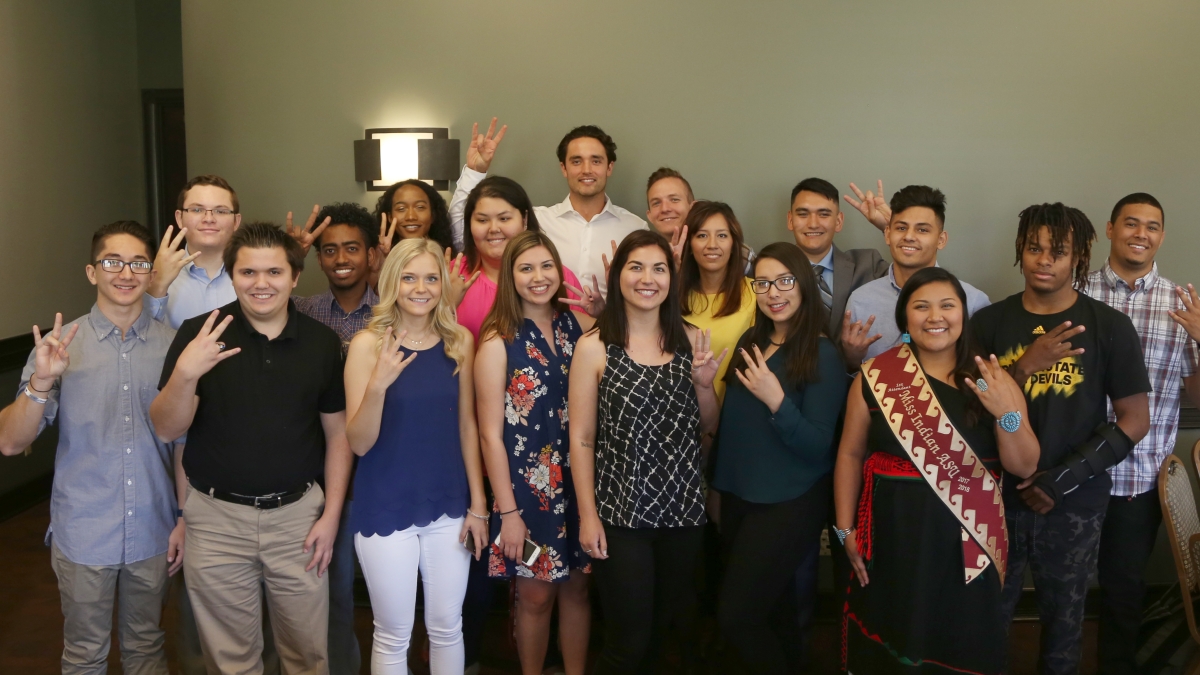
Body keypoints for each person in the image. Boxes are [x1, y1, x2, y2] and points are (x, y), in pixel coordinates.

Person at [151, 222, 352, 674]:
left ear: (295, 277)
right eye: (248, 273)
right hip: (215, 520)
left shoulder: (320, 343)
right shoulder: (198, 334)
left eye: (274, 272)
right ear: (232, 275)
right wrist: (186, 373)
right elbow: (167, 428)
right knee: (231, 660)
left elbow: (338, 435)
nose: (261, 284)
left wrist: (331, 516)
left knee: (306, 654)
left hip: (298, 519)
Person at [971, 203, 1151, 675]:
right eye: (1034, 248)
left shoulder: (1109, 326)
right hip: (997, 501)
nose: (1044, 260)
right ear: (1021, 252)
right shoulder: (989, 322)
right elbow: (971, 410)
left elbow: (1135, 419)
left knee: (1064, 628)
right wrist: (1025, 365)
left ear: (1079, 257)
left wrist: (1062, 479)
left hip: (1074, 502)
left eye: (1058, 251)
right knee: (987, 621)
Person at [835, 267, 1040, 674]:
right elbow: (850, 455)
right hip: (893, 535)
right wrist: (845, 530)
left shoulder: (991, 379)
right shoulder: (875, 378)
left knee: (959, 643)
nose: (935, 317)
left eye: (947, 306)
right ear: (904, 317)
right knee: (894, 635)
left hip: (966, 541)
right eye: (921, 306)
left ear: (963, 314)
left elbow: (1025, 464)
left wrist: (1007, 414)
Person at [0, 221, 180, 674]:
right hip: (84, 530)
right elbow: (10, 441)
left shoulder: (173, 346)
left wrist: (185, 518)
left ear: (149, 270)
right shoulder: (59, 347)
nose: (126, 272)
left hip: (155, 528)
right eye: (112, 262)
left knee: (146, 648)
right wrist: (42, 380)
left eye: (138, 262)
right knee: (84, 653)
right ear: (91, 271)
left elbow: (184, 444)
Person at [568, 230, 725, 673]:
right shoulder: (595, 347)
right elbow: (580, 438)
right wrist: (588, 515)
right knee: (627, 643)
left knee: (662, 636)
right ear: (619, 276)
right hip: (621, 517)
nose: (647, 278)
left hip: (683, 514)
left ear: (671, 279)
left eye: (659, 268)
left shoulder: (691, 340)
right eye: (635, 267)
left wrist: (703, 385)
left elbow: (709, 427)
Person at [344, 238, 489, 674]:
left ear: (444, 284)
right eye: (409, 277)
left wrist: (478, 506)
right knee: (393, 632)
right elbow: (358, 443)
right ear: (393, 282)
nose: (420, 288)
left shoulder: (459, 340)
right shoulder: (368, 345)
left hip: (448, 501)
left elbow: (468, 427)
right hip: (385, 503)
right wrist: (379, 385)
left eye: (431, 277)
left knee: (447, 625)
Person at [712, 242, 849, 674]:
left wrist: (777, 400)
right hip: (738, 497)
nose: (774, 292)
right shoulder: (751, 342)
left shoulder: (822, 353)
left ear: (805, 285)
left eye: (785, 280)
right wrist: (717, 488)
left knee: (737, 616)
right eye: (764, 282)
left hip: (788, 503)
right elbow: (732, 429)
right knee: (776, 613)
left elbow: (817, 446)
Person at [1080, 193, 1200, 675]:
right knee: (1060, 586)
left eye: (1152, 226)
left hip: (1139, 479)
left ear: (1162, 236)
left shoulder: (1182, 304)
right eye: (1131, 223)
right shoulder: (1075, 292)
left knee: (1124, 589)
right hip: (1074, 471)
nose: (1141, 234)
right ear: (1110, 229)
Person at [476, 230, 592, 675]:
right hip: (525, 493)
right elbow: (489, 435)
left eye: (547, 266)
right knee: (536, 594)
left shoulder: (577, 325)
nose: (538, 277)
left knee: (579, 589)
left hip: (578, 483)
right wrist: (507, 512)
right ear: (511, 276)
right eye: (526, 268)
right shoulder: (496, 340)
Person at [288, 201, 382, 675]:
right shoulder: (300, 312)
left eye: (351, 248)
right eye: (329, 250)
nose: (341, 257)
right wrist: (292, 253)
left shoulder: (394, 311)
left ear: (371, 254)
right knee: (334, 587)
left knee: (393, 590)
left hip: (385, 468)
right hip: (324, 470)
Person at [450, 118, 647, 296]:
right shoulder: (536, 221)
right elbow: (463, 236)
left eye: (596, 161)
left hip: (614, 332)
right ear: (564, 168)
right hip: (544, 331)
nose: (586, 170)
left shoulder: (634, 227)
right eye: (576, 161)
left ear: (609, 167)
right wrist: (475, 171)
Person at [845, 184, 990, 362]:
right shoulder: (861, 301)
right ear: (887, 234)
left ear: (941, 239)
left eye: (922, 230)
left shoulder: (973, 301)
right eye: (901, 228)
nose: (909, 237)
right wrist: (851, 361)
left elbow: (984, 374)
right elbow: (851, 374)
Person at [456, 175, 589, 340]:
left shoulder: (556, 277)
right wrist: (447, 306)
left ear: (524, 220)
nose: (493, 229)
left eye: (504, 219)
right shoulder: (451, 275)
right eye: (482, 220)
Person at [786, 177, 888, 340]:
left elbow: (919, 284)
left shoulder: (868, 263)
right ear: (790, 220)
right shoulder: (770, 272)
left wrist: (889, 227)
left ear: (839, 221)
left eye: (824, 214)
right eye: (803, 214)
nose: (813, 224)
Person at [678, 200, 755, 401]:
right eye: (702, 235)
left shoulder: (755, 293)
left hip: (734, 416)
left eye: (722, 235)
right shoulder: (672, 295)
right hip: (678, 417)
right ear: (690, 244)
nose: (712, 245)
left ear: (733, 243)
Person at [146, 174, 243, 329]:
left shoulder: (255, 275)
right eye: (197, 209)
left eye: (221, 211)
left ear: (236, 221)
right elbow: (138, 339)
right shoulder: (153, 276)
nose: (209, 218)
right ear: (179, 218)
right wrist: (156, 286)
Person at [646, 168, 754, 273]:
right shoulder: (644, 257)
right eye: (656, 203)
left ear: (692, 206)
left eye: (674, 200)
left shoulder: (740, 256)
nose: (665, 209)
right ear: (649, 215)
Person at [374, 178, 457, 254]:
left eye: (420, 207)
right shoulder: (379, 257)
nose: (411, 217)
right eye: (401, 208)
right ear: (390, 217)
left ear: (433, 215)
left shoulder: (448, 261)